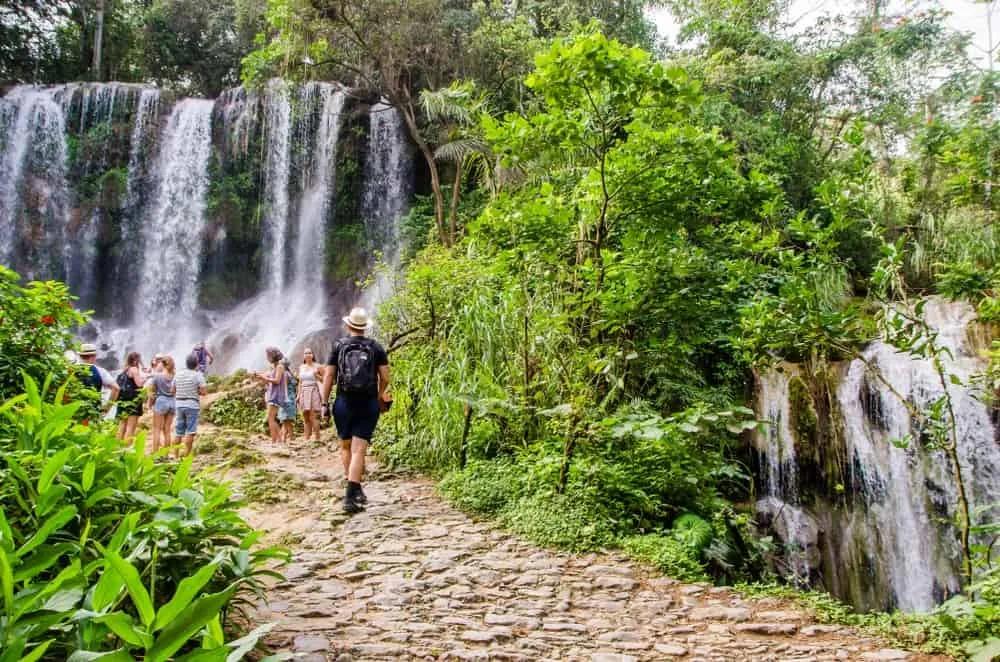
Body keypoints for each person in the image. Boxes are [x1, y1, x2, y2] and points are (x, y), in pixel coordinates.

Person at [322, 307, 391, 514]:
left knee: (346, 447)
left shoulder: (338, 346)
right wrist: (379, 396)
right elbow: (386, 377)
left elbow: (328, 377)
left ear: (348, 325)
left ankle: (352, 486)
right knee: (359, 449)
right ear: (365, 327)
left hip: (343, 402)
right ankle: (353, 491)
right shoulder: (376, 347)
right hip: (367, 402)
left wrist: (324, 403)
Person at [172, 353, 207, 457]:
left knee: (178, 431)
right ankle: (186, 456)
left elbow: (172, 390)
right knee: (190, 431)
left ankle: (175, 455)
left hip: (179, 404)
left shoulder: (178, 374)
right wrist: (196, 391)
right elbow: (204, 392)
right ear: (196, 364)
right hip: (192, 405)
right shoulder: (198, 375)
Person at [77, 343, 119, 423]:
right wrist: (106, 409)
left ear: (80, 356)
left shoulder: (71, 370)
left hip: (74, 412)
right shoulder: (100, 371)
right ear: (94, 356)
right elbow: (116, 388)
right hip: (93, 413)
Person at [255, 347, 287, 443]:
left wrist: (264, 377)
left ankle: (275, 440)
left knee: (271, 418)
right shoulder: (275, 367)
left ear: (273, 356)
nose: (267, 358)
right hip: (273, 394)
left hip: (276, 395)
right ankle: (278, 440)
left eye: (268, 356)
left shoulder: (280, 367)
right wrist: (261, 377)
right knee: (271, 418)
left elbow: (277, 381)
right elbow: (270, 380)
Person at [116, 352, 148, 442]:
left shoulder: (125, 369)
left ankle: (117, 447)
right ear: (135, 360)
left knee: (122, 425)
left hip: (123, 400)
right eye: (139, 359)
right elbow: (139, 383)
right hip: (132, 400)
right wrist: (146, 377)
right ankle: (126, 450)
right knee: (131, 427)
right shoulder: (134, 369)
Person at [147, 355, 175, 454]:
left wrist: (149, 404)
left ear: (163, 364)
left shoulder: (157, 376)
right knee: (167, 430)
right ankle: (166, 454)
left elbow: (151, 392)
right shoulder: (174, 376)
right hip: (172, 403)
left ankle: (155, 454)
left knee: (157, 429)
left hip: (160, 402)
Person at [297, 348, 325, 442]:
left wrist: (317, 376)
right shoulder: (301, 367)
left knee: (314, 415)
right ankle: (307, 439)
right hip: (303, 391)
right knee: (305, 415)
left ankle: (317, 438)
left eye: (309, 353)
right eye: (306, 353)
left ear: (313, 355)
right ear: (303, 356)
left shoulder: (318, 366)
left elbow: (325, 380)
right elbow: (300, 382)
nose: (308, 354)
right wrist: (298, 395)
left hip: (314, 390)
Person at [278, 356, 298, 442]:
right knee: (287, 419)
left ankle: (289, 437)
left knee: (286, 419)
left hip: (286, 398)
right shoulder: (290, 374)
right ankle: (284, 438)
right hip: (291, 397)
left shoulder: (285, 374)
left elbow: (284, 388)